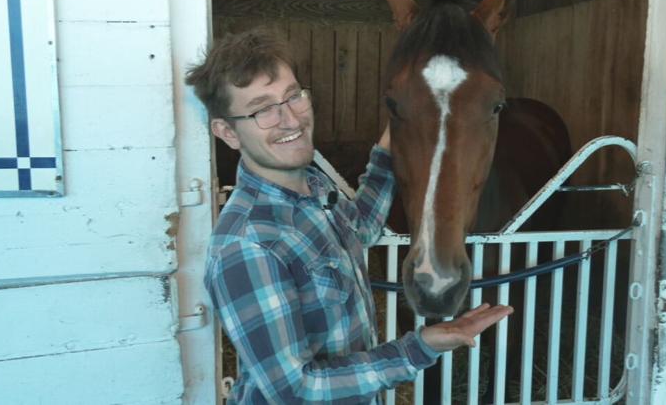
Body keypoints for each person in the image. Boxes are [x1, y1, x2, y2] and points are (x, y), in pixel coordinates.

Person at [186, 28, 513, 404]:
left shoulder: (313, 192)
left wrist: (411, 115)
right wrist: (419, 348)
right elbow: (296, 388)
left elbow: (362, 225)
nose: (290, 119)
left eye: (293, 96)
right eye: (263, 109)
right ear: (227, 131)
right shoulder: (247, 243)